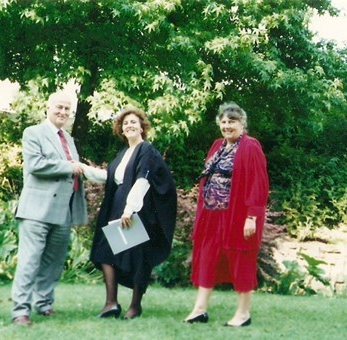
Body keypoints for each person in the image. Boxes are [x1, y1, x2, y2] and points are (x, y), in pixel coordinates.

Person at [82, 107, 177, 320]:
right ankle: (111, 303)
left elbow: (143, 180)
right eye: (125, 124)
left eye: (133, 122)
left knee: (137, 256)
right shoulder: (123, 154)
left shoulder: (147, 150)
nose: (129, 126)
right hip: (116, 208)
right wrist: (83, 169)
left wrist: (129, 209)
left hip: (136, 210)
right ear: (121, 130)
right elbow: (110, 177)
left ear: (142, 127)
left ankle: (135, 306)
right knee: (104, 251)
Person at [184, 102, 269, 327]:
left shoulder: (251, 146)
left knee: (241, 259)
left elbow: (258, 184)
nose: (227, 125)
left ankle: (243, 313)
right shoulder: (216, 146)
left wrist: (252, 217)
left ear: (242, 124)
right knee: (207, 257)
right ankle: (200, 309)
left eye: (232, 121)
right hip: (212, 215)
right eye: (223, 122)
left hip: (237, 216)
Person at [11, 91, 88, 326]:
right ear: (48, 107)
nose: (63, 112)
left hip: (63, 210)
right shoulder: (33, 133)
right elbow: (36, 165)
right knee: (30, 261)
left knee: (54, 262)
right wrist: (71, 166)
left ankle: (43, 303)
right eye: (59, 107)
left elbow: (73, 172)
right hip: (36, 210)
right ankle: (20, 311)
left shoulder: (69, 139)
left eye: (67, 109)